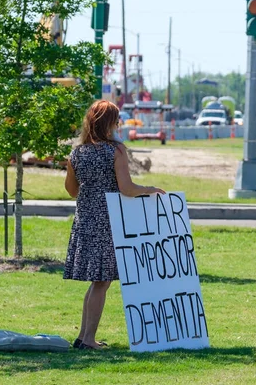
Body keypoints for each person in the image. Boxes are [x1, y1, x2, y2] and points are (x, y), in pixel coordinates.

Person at [63, 100, 164, 350]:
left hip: (85, 219)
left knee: (98, 280)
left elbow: (71, 191)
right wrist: (150, 190)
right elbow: (127, 189)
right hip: (107, 220)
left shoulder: (77, 152)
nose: (119, 124)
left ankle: (83, 337)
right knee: (102, 280)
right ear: (110, 123)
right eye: (117, 120)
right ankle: (87, 340)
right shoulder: (116, 150)